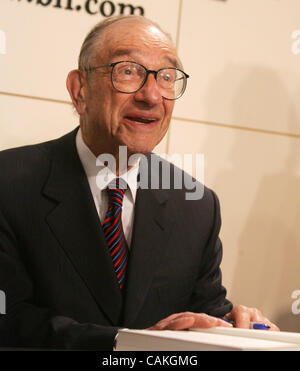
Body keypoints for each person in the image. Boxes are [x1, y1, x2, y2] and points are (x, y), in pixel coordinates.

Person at [0, 15, 278, 350]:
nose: (151, 96)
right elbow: (9, 318)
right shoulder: (10, 183)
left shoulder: (195, 205)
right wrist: (129, 345)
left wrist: (234, 327)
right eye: (128, 71)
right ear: (80, 89)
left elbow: (200, 315)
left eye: (165, 77)